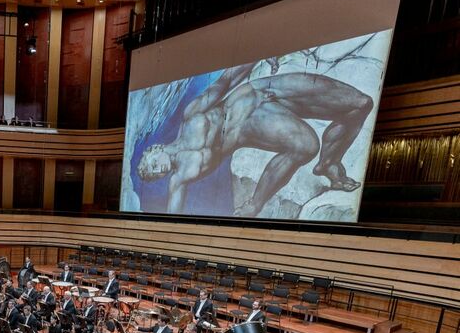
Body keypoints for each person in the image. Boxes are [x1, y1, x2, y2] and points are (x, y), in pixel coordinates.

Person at [136, 62, 373, 217]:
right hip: (254, 124)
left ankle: (329, 162)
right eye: (154, 173)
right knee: (307, 145)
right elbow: (173, 219)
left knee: (360, 103)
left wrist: (255, 57)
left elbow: (225, 81)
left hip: (258, 92)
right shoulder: (179, 178)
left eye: (152, 164)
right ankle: (255, 204)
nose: (157, 169)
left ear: (154, 149)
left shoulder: (191, 116)